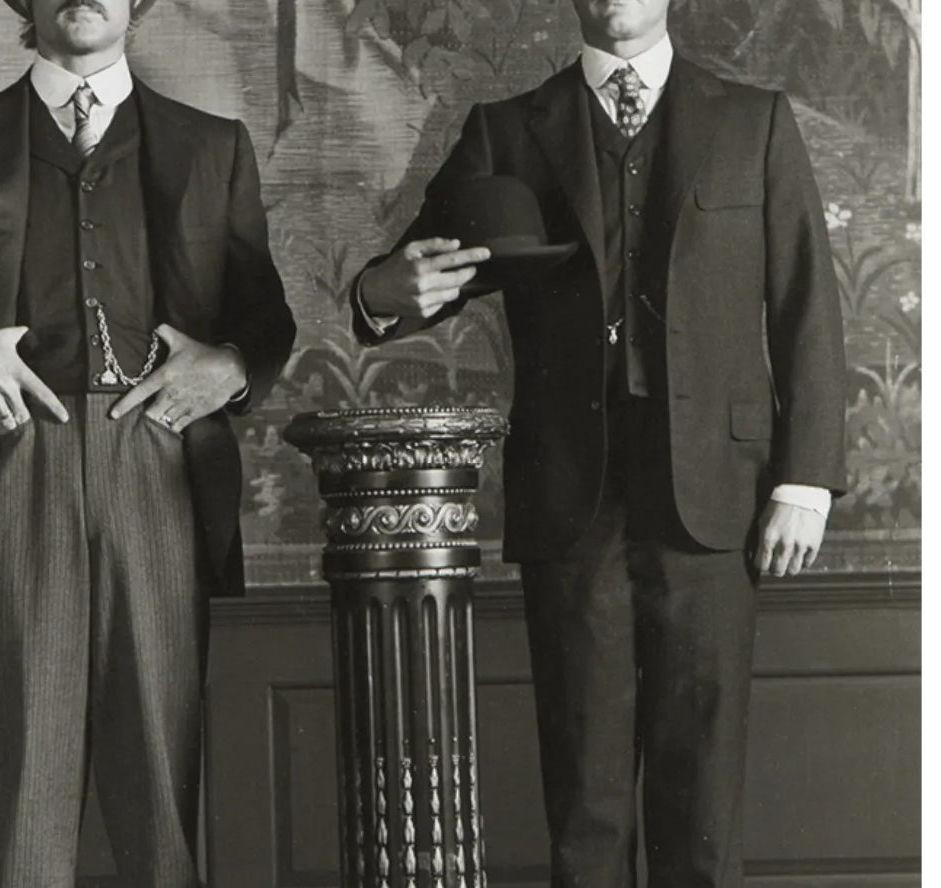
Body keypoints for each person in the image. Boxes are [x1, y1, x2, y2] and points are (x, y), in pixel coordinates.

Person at [348, 1, 846, 885]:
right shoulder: (506, 130)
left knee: (701, 806)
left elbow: (807, 304)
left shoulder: (754, 121)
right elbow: (408, 279)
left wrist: (804, 482)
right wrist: (382, 289)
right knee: (586, 799)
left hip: (715, 498)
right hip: (571, 498)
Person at [0, 0, 295, 884]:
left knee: (164, 800)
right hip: (19, 463)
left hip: (161, 468)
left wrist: (234, 367)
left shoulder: (214, 146)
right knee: (30, 796)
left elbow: (264, 323)